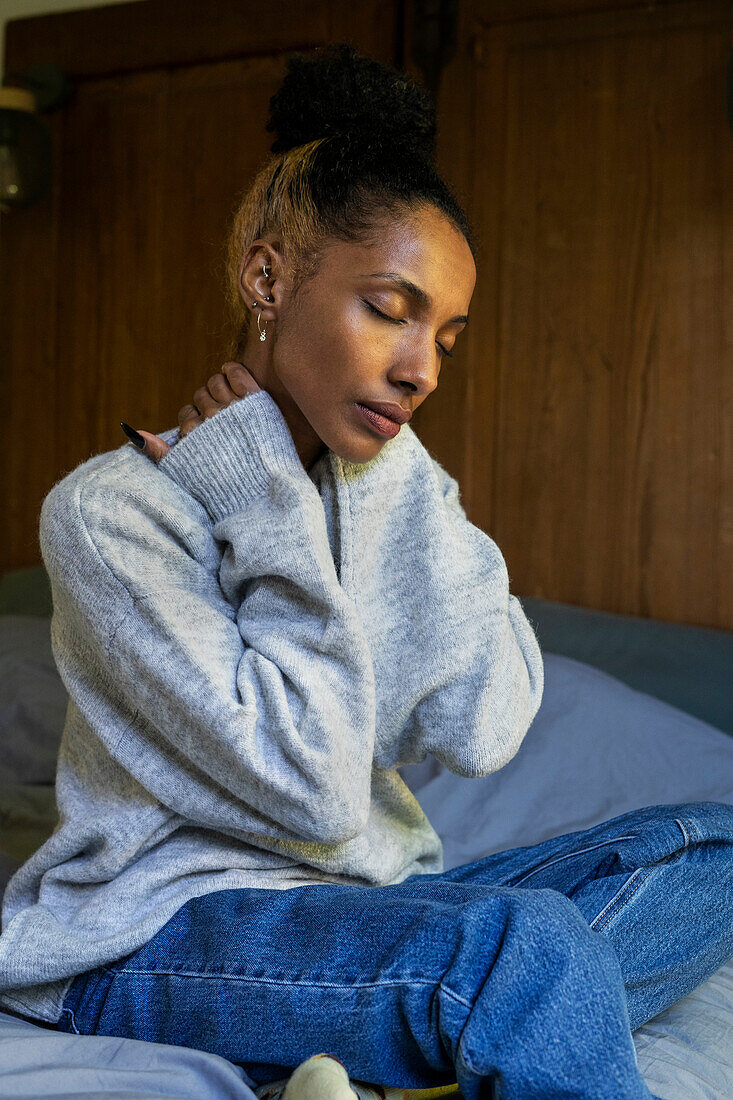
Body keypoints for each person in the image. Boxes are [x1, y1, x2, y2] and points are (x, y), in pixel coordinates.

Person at [0, 42, 731, 1100]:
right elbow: (311, 782)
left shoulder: (384, 483)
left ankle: (418, 1042)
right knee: (522, 944)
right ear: (269, 276)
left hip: (369, 903)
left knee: (710, 849)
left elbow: (484, 721)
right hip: (151, 937)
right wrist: (261, 501)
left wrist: (389, 478)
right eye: (390, 308)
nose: (423, 366)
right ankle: (476, 1014)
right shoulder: (113, 513)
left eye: (447, 335)